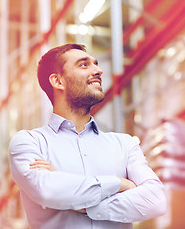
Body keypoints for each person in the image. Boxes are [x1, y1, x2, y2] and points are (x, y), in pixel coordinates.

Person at [9, 44, 166, 229]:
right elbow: (48, 191)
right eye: (84, 65)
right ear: (58, 81)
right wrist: (121, 184)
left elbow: (156, 201)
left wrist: (81, 203)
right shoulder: (29, 142)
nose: (98, 70)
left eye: (96, 64)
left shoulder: (125, 144)